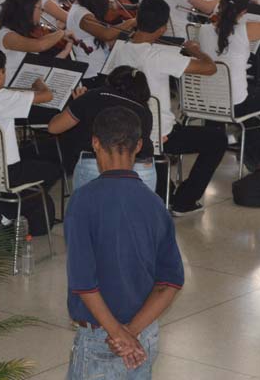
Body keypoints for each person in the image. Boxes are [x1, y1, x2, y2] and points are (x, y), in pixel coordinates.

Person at [64, 105, 183, 378]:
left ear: (95, 143)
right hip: (145, 335)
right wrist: (132, 333)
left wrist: (118, 333)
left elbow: (84, 283)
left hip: (102, 338)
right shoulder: (155, 204)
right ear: (139, 145)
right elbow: (170, 282)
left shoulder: (83, 202)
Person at [106, 0, 224, 216]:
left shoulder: (120, 49)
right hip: (159, 134)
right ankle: (185, 201)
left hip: (126, 129)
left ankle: (164, 187)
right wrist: (195, 50)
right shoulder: (159, 56)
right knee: (218, 140)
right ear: (162, 29)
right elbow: (209, 68)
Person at [198, 0, 260, 167]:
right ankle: (253, 150)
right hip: (234, 105)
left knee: (258, 90)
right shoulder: (246, 30)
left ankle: (246, 139)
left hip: (206, 101)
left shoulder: (203, 30)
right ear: (244, 11)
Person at [0, 45, 63, 190]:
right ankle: (23, 200)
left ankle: (20, 199)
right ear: (0, 73)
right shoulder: (1, 97)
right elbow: (47, 96)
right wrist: (39, 83)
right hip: (4, 170)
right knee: (54, 170)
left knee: (31, 159)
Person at [49, 66, 154, 186]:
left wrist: (77, 103)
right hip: (142, 166)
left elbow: (54, 127)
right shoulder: (145, 110)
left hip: (96, 162)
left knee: (93, 204)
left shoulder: (93, 96)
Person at [69, 0, 137, 81]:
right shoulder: (82, 14)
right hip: (92, 75)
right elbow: (106, 35)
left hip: (100, 69)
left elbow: (103, 42)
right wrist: (131, 22)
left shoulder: (83, 9)